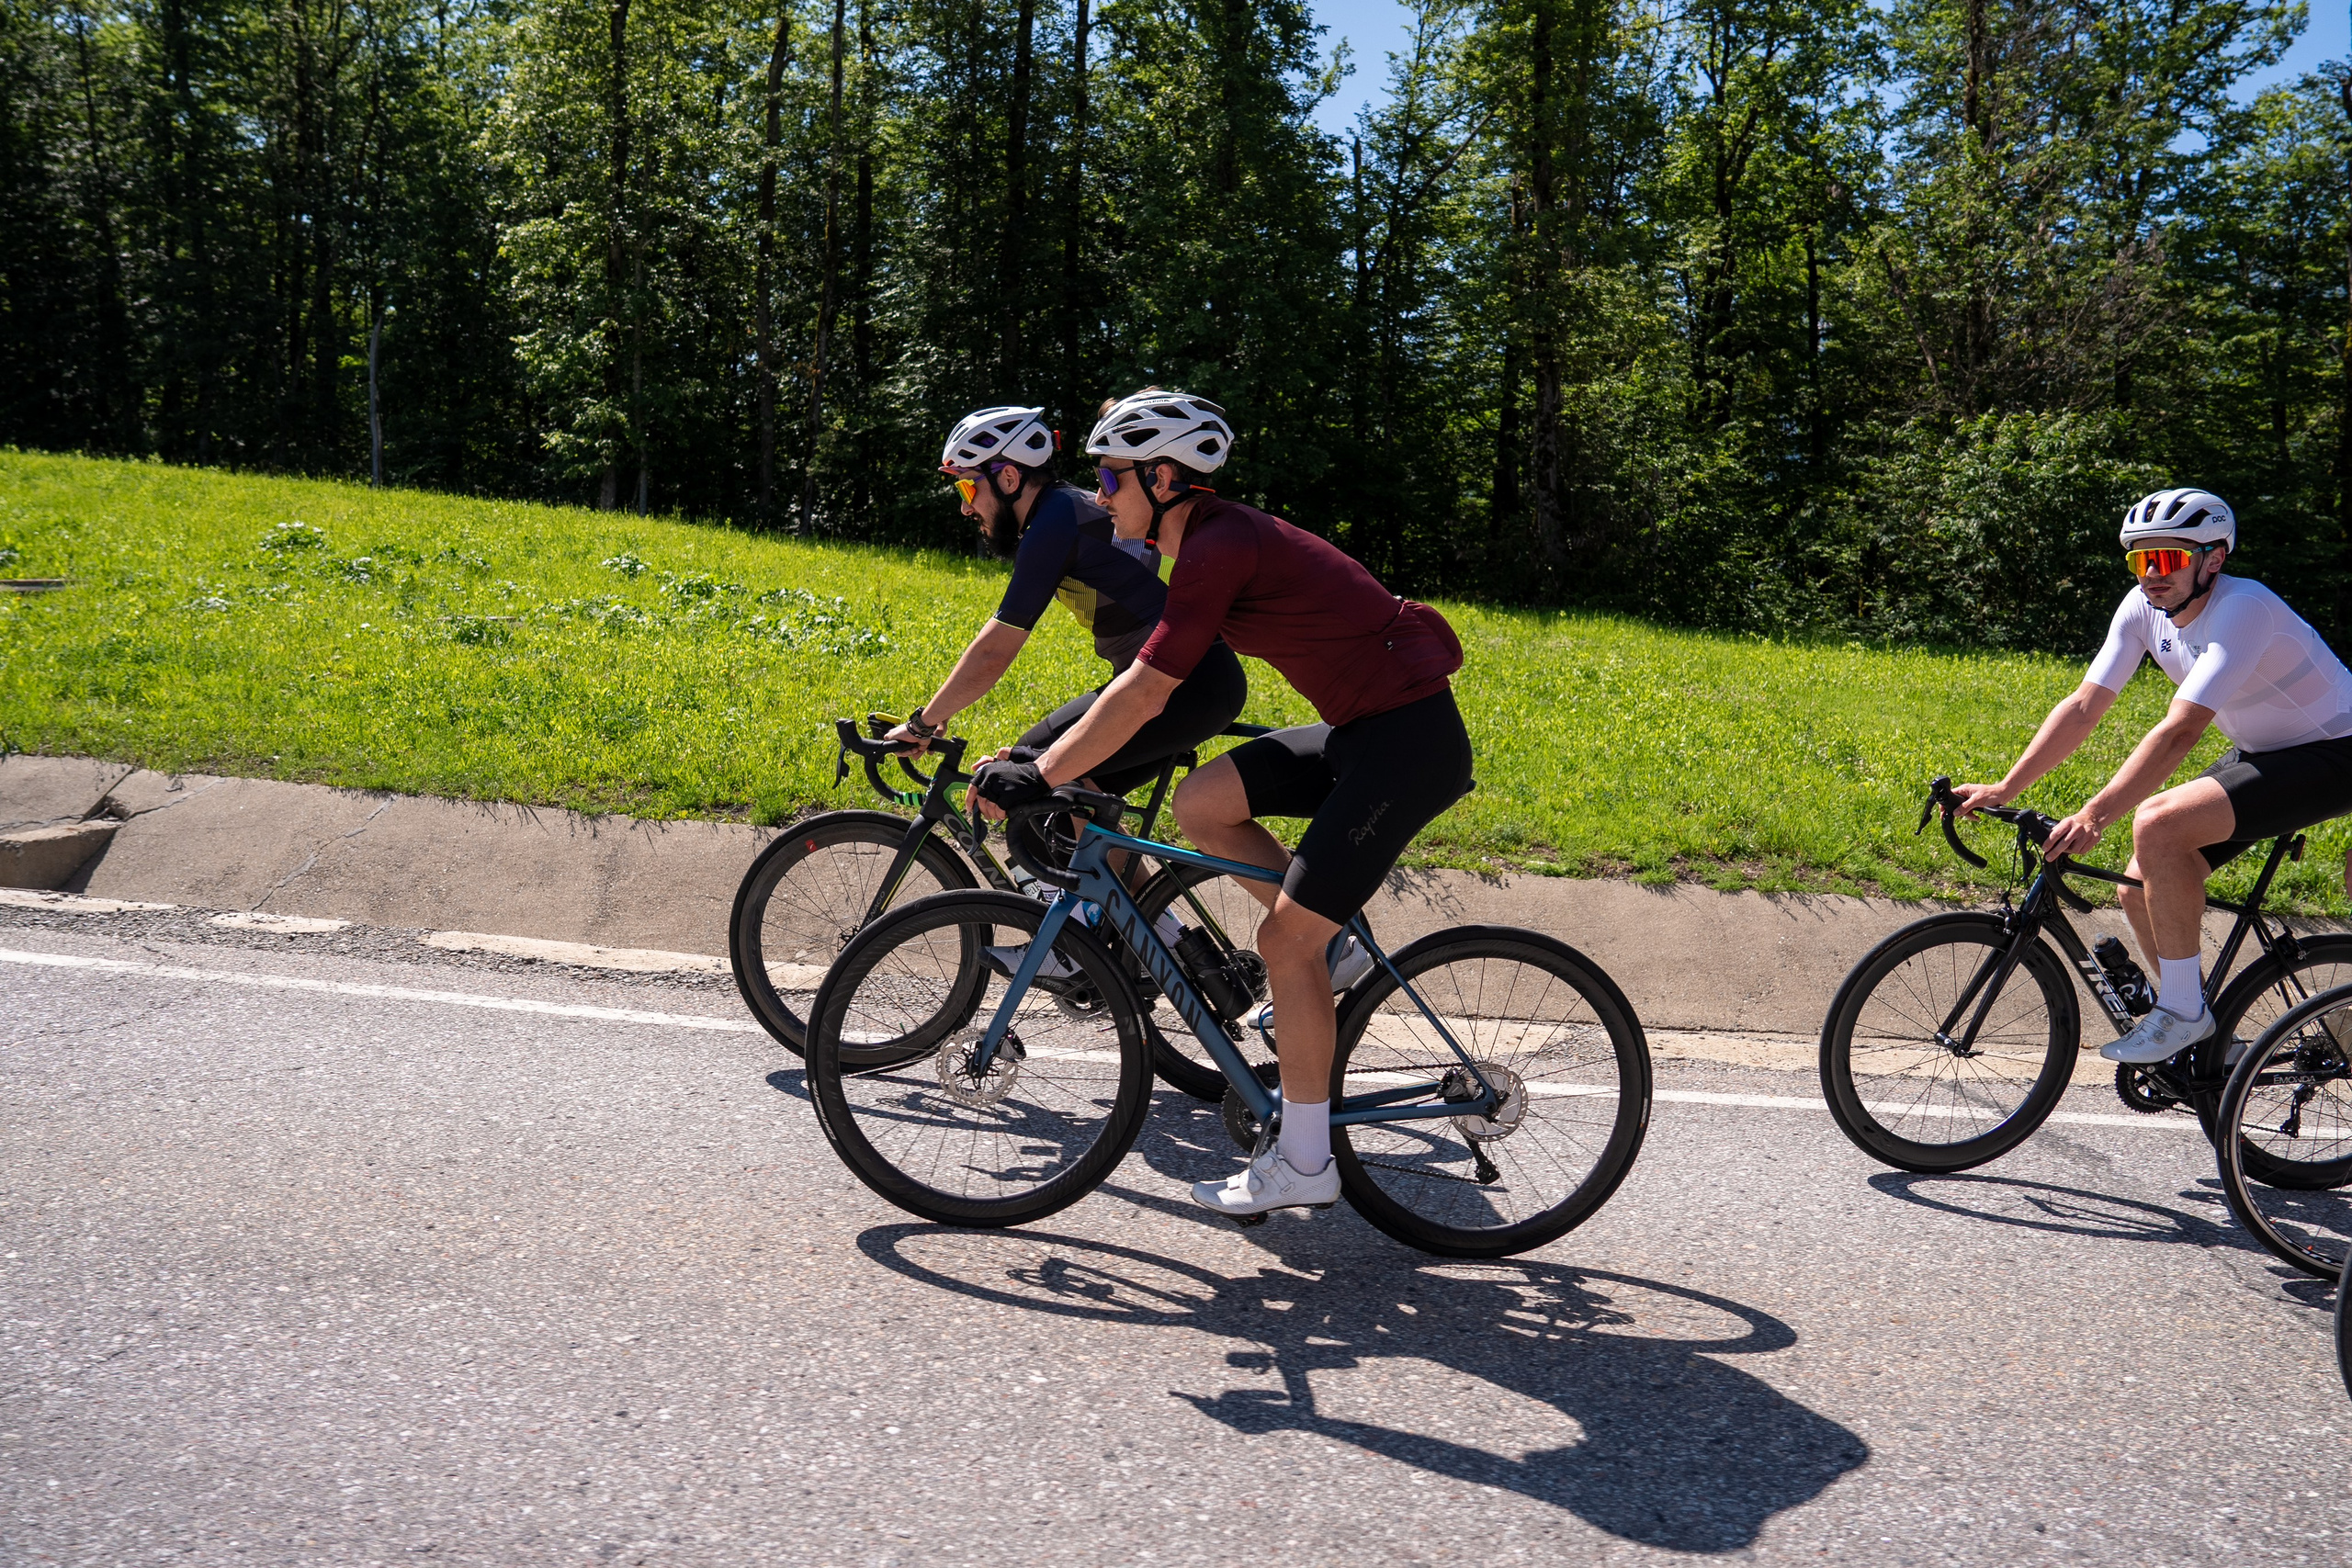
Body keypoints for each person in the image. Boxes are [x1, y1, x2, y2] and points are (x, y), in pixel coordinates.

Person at [970, 389, 1474, 1217]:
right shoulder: (1205, 541)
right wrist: (1054, 767)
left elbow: (1143, 692)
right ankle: (1334, 948)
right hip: (1361, 730)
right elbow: (1142, 686)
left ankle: (1306, 1159)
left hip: (1407, 745)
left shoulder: (1218, 544)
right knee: (1205, 801)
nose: (1098, 494)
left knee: (1284, 941)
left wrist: (1045, 771)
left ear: (1163, 477)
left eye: (1110, 475)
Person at [1952, 488, 2352, 1065]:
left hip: (2338, 751)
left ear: (2212, 559)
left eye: (2167, 558)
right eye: (2141, 559)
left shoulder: (2245, 608)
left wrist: (2094, 814)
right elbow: (2086, 705)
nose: (2151, 574)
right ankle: (2213, 1042)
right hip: (2265, 751)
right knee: (2138, 884)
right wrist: (2005, 788)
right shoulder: (2142, 609)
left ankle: (2183, 1014)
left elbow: (2178, 732)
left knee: (2158, 822)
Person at [888, 405, 1249, 973]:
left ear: (1008, 478)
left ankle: (1073, 943)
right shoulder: (1071, 509)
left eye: (967, 485)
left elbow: (996, 648)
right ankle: (1180, 954)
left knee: (1033, 783)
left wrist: (925, 722)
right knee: (1050, 780)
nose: (965, 505)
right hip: (1182, 680)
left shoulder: (1054, 520)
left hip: (1184, 684)